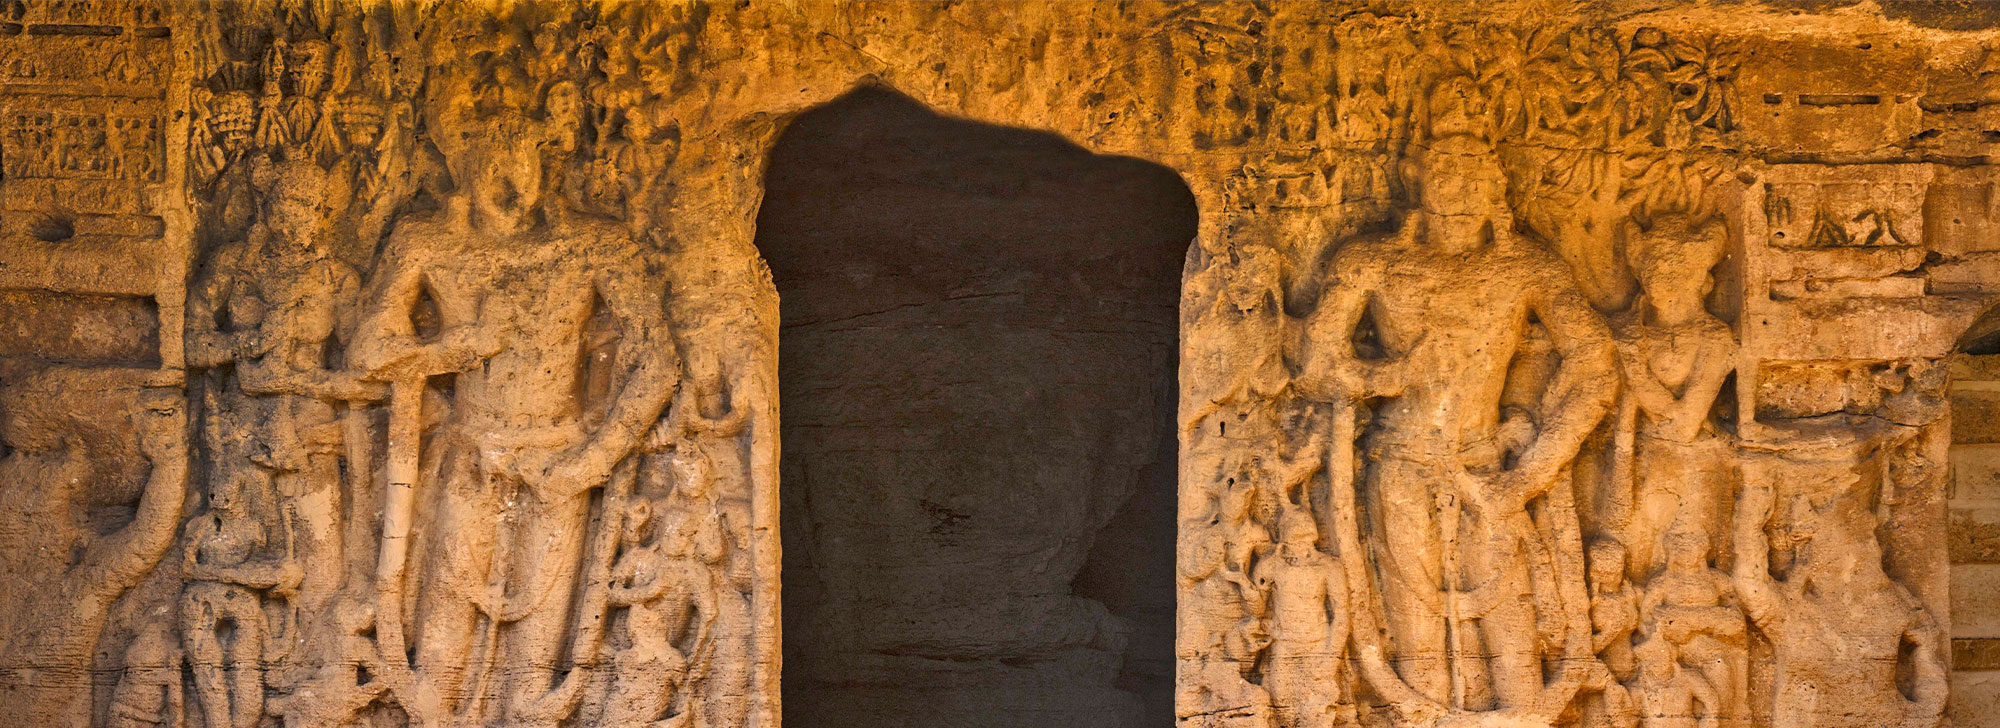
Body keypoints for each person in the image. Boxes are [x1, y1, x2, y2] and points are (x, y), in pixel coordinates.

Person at [1295, 129, 1615, 710]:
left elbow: (1597, 367)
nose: (1461, 190)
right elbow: (1315, 364)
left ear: (1498, 184)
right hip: (1401, 465)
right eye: (1445, 172)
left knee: (1514, 645)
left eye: (1475, 175)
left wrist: (1529, 476)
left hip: (1487, 467)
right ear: (1415, 179)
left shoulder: (1526, 268)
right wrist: (1386, 377)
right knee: (1419, 651)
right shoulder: (1373, 261)